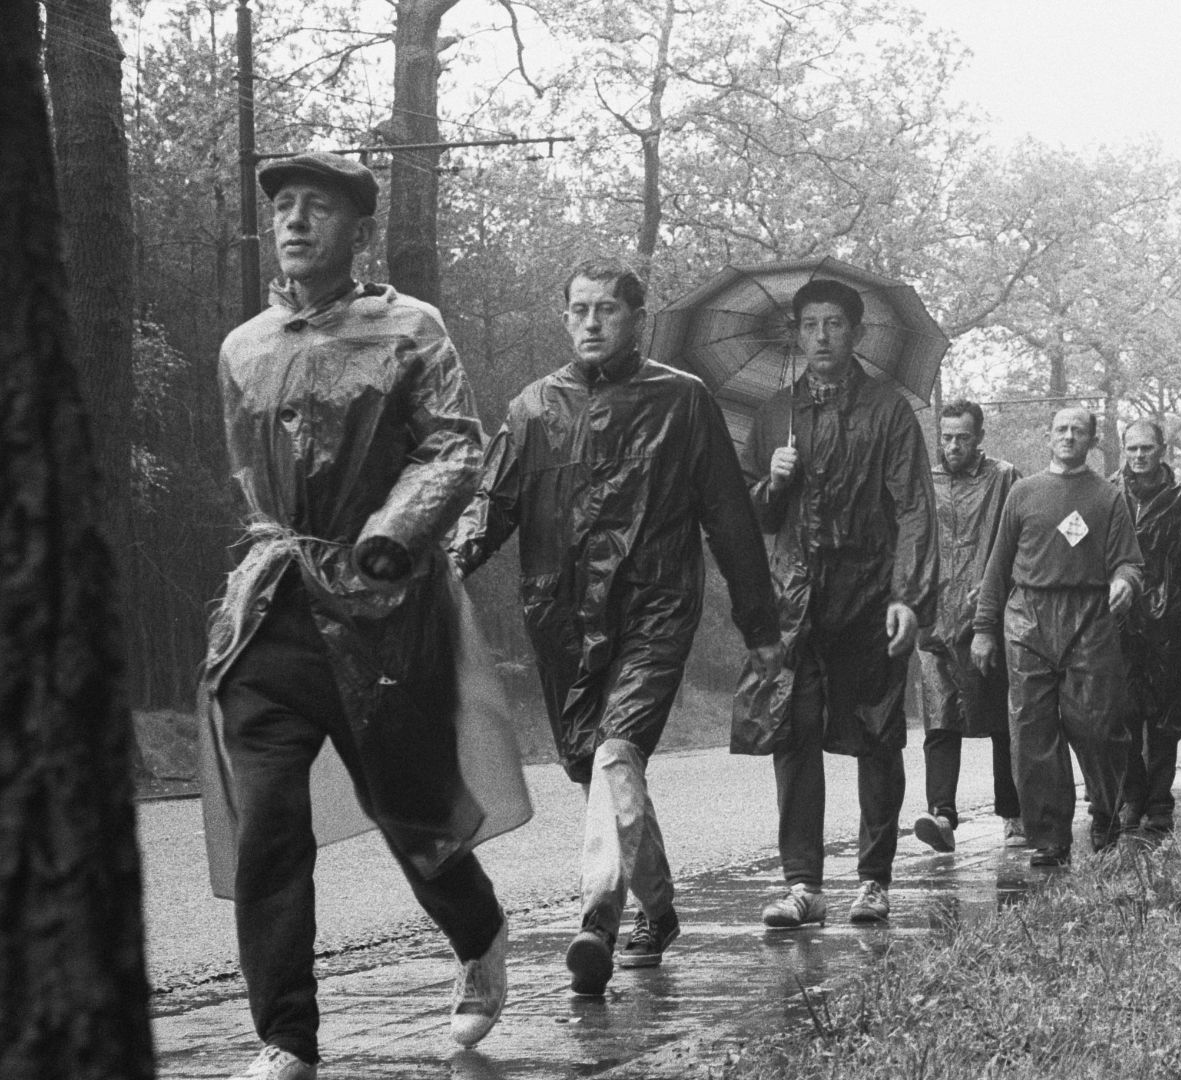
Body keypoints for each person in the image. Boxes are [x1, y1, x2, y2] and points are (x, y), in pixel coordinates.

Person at [200, 153, 520, 1080]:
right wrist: (256, 567)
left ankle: (480, 930)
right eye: (284, 208)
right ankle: (285, 1040)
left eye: (317, 207)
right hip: (270, 615)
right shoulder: (242, 347)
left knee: (409, 809)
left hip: (379, 613)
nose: (295, 222)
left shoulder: (410, 328)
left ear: (357, 229)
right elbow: (245, 478)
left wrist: (394, 533)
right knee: (267, 824)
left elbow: (457, 445)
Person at [449, 259, 781, 994]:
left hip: (655, 607)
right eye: (578, 309)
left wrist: (760, 622)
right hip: (561, 617)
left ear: (637, 317)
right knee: (599, 774)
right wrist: (446, 567)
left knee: (614, 755)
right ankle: (658, 911)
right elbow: (490, 505)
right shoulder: (532, 409)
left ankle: (596, 919)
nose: (591, 322)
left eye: (607, 309)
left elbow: (729, 516)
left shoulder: (683, 402)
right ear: (563, 318)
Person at [738, 278, 937, 928]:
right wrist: (775, 479)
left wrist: (907, 596)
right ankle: (803, 885)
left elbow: (913, 507)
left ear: (855, 334)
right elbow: (753, 517)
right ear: (796, 333)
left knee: (878, 733)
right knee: (791, 731)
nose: (822, 336)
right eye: (811, 325)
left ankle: (874, 880)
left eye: (835, 324)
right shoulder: (774, 414)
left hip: (871, 594)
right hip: (796, 599)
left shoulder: (888, 410)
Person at [972, 408, 1144, 866]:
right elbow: (996, 566)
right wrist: (984, 629)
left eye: (1078, 431)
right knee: (1031, 730)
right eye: (1061, 430)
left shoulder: (1108, 497)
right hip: (1028, 617)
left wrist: (1125, 582)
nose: (1069, 437)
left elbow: (1129, 560)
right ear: (1048, 437)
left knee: (1099, 726)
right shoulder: (1023, 493)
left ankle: (1106, 811)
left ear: (1091, 441)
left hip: (1089, 617)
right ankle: (1048, 836)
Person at [911, 400, 1024, 852]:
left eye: (962, 437)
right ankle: (941, 815)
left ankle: (1013, 815)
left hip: (988, 619)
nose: (952, 446)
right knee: (939, 719)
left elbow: (1021, 538)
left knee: (1001, 719)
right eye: (946, 437)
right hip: (935, 619)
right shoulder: (924, 481)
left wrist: (998, 594)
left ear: (979, 439)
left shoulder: (1003, 478)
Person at [1109, 420, 1181, 837]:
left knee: (1166, 718)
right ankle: (1133, 797)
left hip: (1168, 619)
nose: (1139, 456)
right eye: (1132, 448)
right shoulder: (1110, 492)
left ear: (1162, 449)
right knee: (1123, 713)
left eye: (1147, 447)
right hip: (1120, 618)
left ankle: (1161, 800)